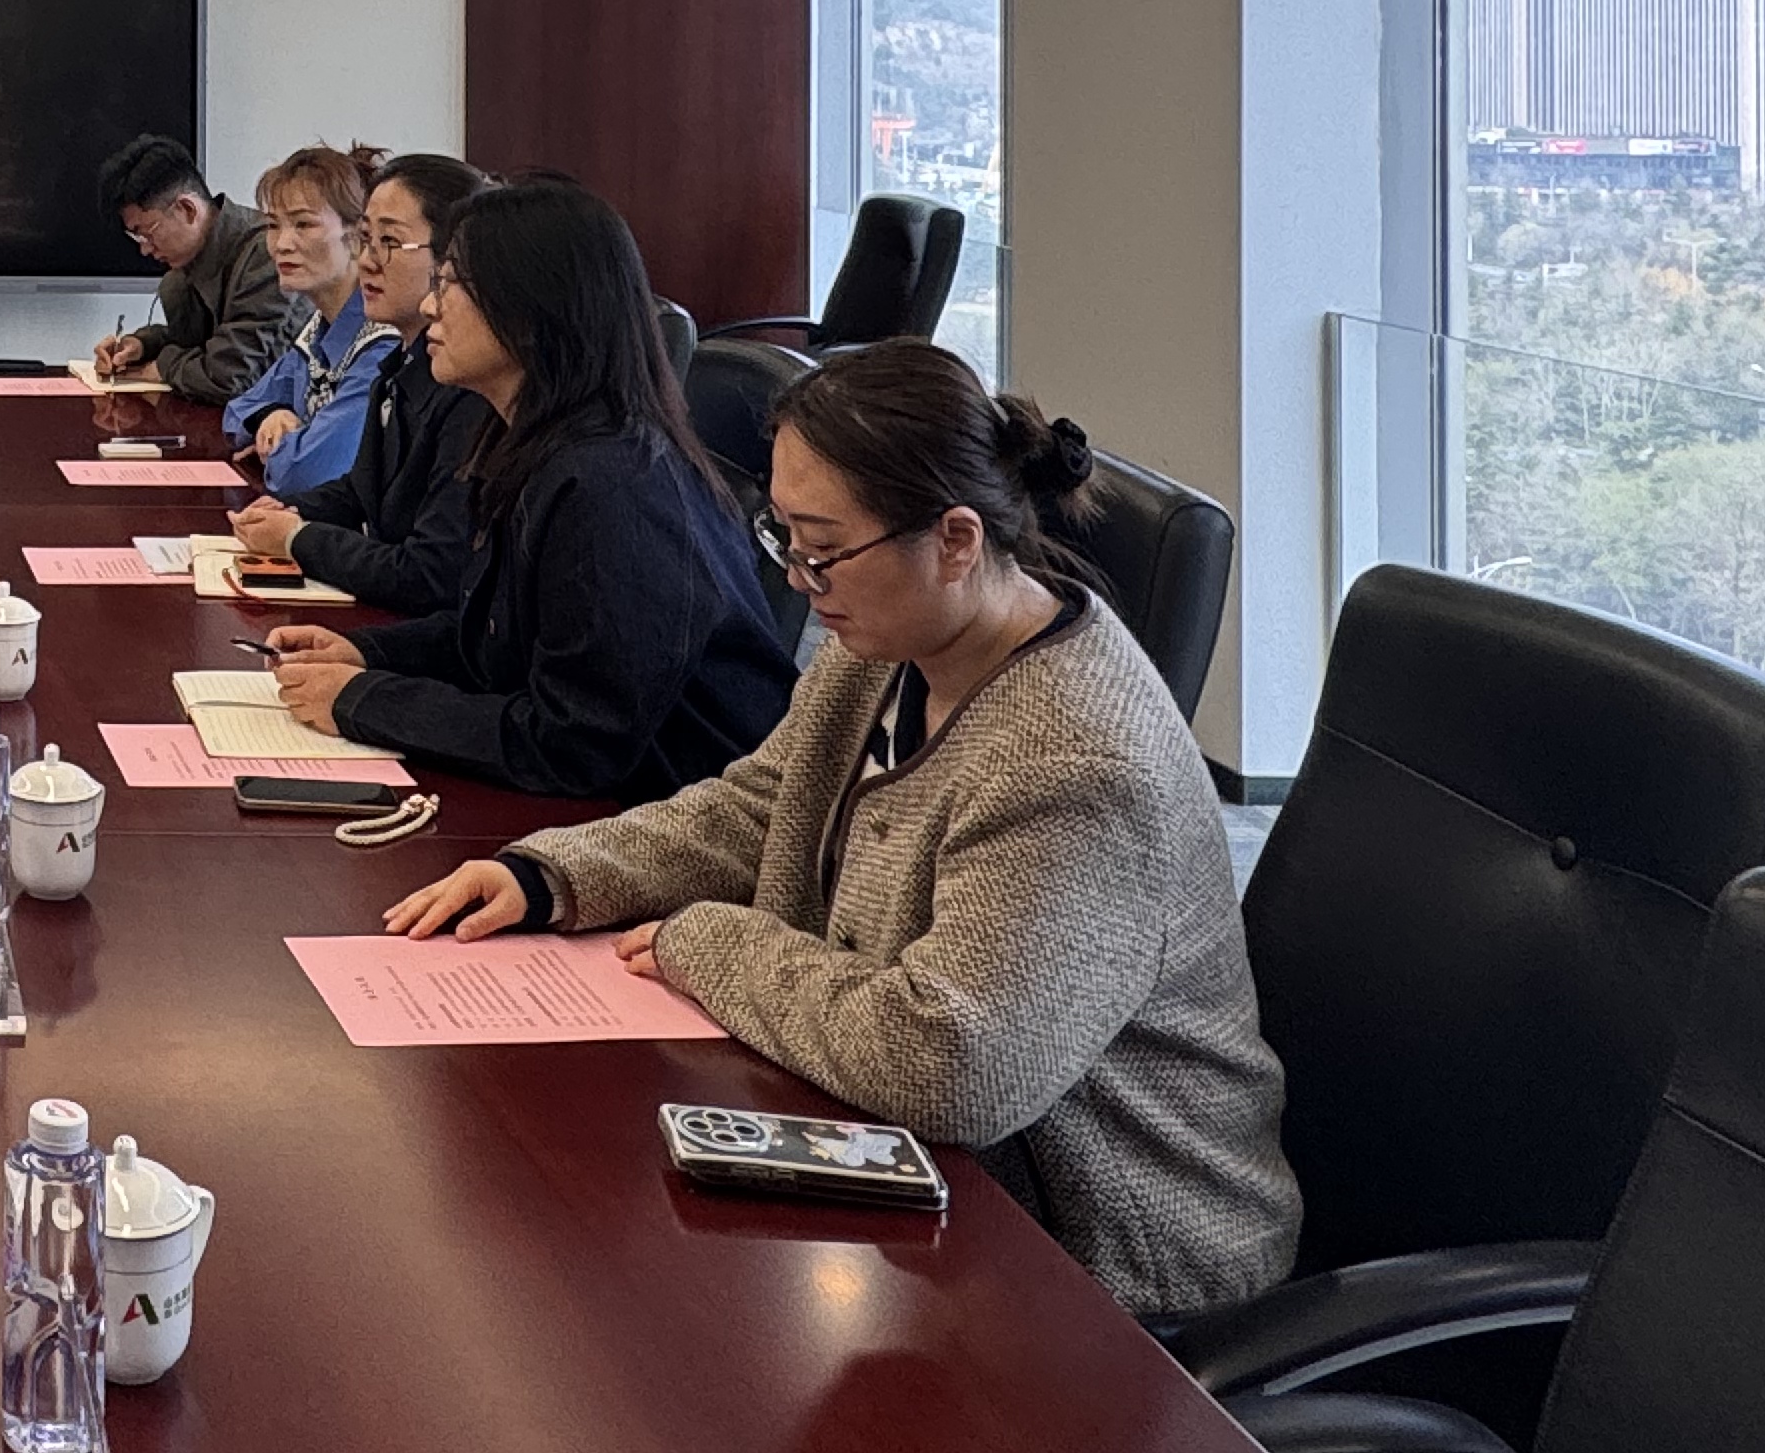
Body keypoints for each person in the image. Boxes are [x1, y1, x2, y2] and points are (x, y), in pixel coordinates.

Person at [382, 341, 1298, 1314]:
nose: (800, 582)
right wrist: (551, 876)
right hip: (919, 1171)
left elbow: (951, 1066)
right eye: (785, 538)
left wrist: (712, 943)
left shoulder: (1073, 762)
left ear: (955, 540)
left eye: (821, 549)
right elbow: (764, 802)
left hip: (1099, 1264)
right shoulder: (900, 637)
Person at [260, 176, 792, 795]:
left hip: (669, 814)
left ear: (531, 310)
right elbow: (495, 640)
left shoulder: (611, 485)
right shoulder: (531, 442)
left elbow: (571, 743)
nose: (430, 307)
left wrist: (363, 699)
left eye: (450, 285)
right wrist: (368, 655)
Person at [231, 152, 491, 610]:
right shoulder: (400, 365)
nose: (367, 261)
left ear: (453, 259)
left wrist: (297, 538)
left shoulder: (467, 388)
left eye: (388, 242)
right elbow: (360, 488)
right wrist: (293, 513)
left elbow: (429, 573)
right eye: (366, 240)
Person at [211, 143, 395, 499]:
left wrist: (280, 448)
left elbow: (304, 474)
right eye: (273, 225)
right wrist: (271, 414)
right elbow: (237, 411)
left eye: (303, 224)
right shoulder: (318, 330)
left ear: (359, 236)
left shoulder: (382, 345)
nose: (281, 244)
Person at [86, 133, 285, 404]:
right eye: (137, 238)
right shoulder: (183, 273)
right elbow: (200, 344)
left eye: (147, 233)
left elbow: (229, 376)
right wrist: (143, 346)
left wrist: (162, 366)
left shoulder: (267, 255)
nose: (145, 249)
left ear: (187, 209)